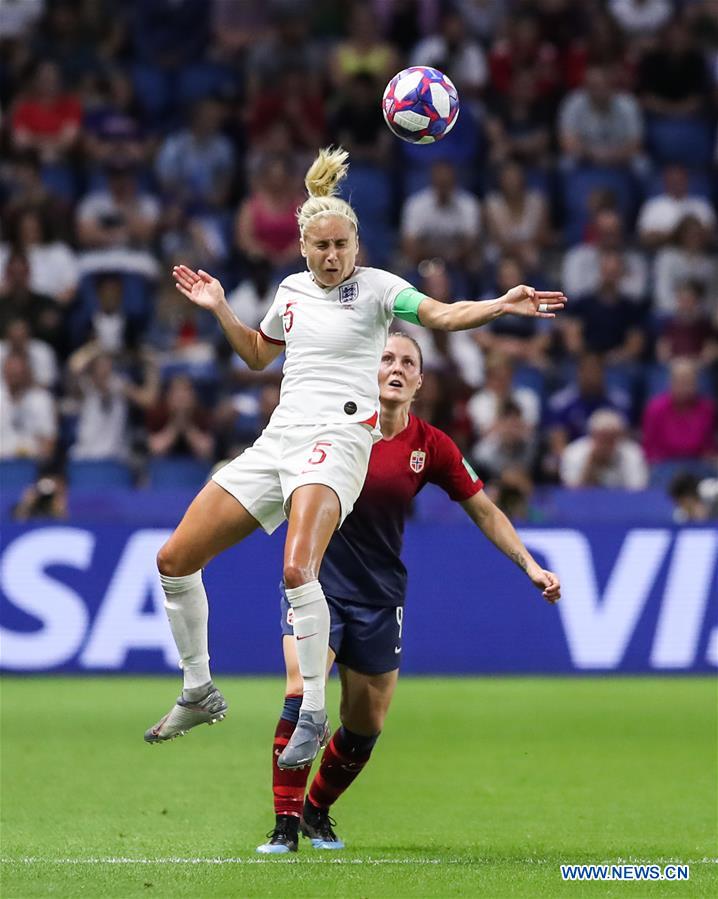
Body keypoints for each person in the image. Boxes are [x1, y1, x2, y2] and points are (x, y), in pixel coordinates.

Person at [145, 147, 566, 770]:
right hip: (280, 439)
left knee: (297, 571)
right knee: (174, 559)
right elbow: (260, 357)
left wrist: (499, 305)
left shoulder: (376, 290)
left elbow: (442, 315)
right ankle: (198, 689)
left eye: (343, 244)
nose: (333, 255)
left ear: (357, 245)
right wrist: (221, 312)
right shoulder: (289, 292)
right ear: (304, 248)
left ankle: (312, 710)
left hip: (338, 441)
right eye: (322, 246)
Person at [258, 334, 561, 854]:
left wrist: (529, 564)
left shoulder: (431, 445)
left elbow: (484, 509)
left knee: (365, 724)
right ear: (366, 370)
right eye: (385, 359)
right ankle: (283, 827)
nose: (396, 368)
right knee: (302, 692)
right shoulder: (330, 426)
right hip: (318, 585)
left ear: (420, 382)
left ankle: (315, 812)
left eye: (407, 363)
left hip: (380, 595)